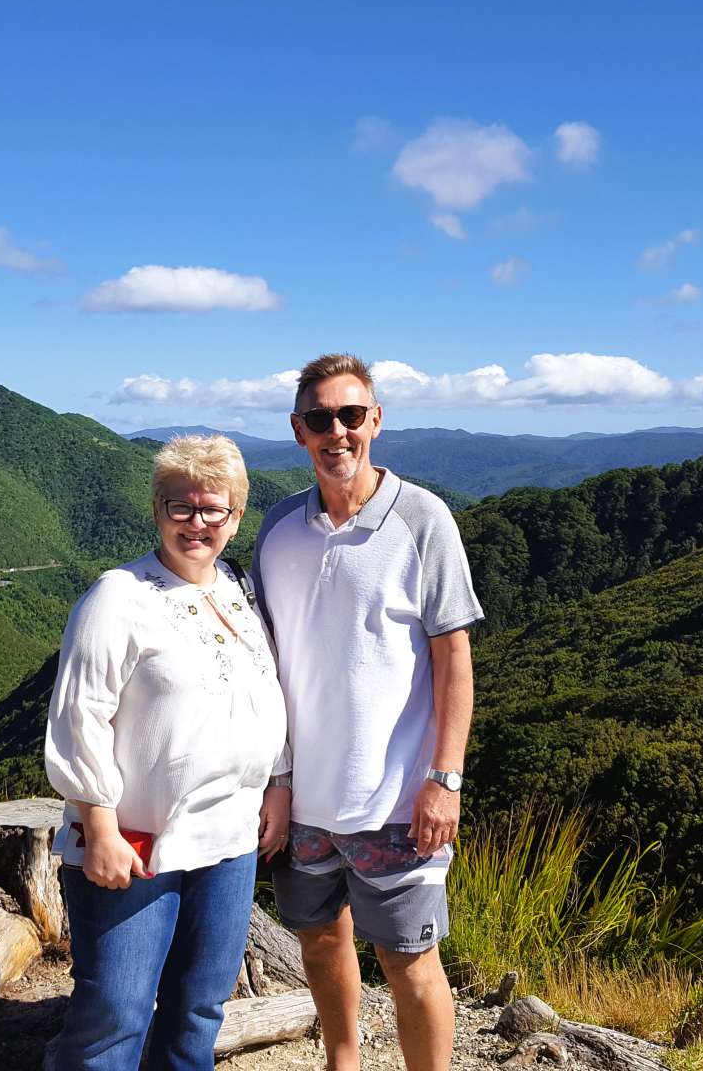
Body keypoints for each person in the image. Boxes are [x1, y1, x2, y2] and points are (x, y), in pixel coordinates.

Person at [252, 354, 482, 1071]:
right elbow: (270, 665)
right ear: (298, 430)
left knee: (409, 959)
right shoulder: (278, 527)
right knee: (320, 942)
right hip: (304, 803)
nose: (338, 431)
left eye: (352, 415)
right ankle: (341, 1063)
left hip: (397, 798)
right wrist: (278, 782)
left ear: (375, 421)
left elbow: (453, 657)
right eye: (320, 418)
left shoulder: (422, 519)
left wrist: (446, 778)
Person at [44, 434, 291, 1071]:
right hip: (136, 839)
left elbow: (267, 689)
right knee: (114, 1014)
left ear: (237, 518)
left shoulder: (238, 588)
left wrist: (278, 784)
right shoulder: (117, 598)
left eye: (214, 510)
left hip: (230, 836)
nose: (197, 524)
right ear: (157, 510)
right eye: (180, 508)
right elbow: (80, 714)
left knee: (200, 1007)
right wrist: (97, 825)